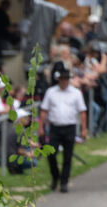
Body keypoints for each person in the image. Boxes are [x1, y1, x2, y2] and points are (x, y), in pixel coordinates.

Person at [39, 64, 87, 193]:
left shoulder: (76, 93)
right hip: (55, 127)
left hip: (69, 127)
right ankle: (55, 176)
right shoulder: (51, 92)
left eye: (66, 79)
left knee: (68, 156)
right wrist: (41, 127)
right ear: (58, 79)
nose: (64, 81)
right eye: (62, 79)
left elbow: (82, 112)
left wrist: (83, 129)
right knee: (51, 154)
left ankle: (64, 181)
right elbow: (44, 110)